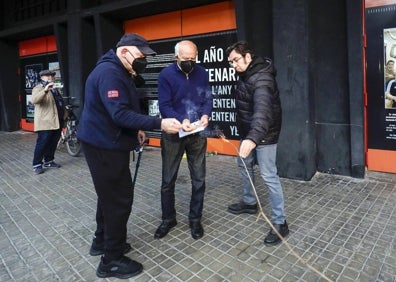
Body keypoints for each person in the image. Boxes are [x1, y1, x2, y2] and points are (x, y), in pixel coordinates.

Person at [77, 33, 181, 279]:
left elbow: (122, 110)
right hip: (104, 146)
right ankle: (110, 260)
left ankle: (101, 241)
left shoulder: (117, 70)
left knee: (107, 196)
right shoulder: (110, 74)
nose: (143, 60)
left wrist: (138, 128)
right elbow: (119, 114)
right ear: (125, 52)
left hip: (104, 142)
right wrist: (160, 123)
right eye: (141, 55)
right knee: (119, 201)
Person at [225, 41, 289, 246]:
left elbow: (263, 111)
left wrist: (253, 139)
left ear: (248, 57)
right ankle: (250, 202)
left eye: (236, 60)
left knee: (269, 175)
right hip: (249, 132)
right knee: (243, 164)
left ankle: (281, 223)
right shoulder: (246, 75)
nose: (233, 65)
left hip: (265, 134)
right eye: (230, 62)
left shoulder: (262, 78)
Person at [155, 40, 212, 240]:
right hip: (173, 133)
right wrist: (182, 120)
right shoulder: (166, 75)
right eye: (186, 58)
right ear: (176, 57)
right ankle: (168, 219)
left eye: (193, 58)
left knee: (199, 179)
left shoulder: (202, 73)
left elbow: (207, 97)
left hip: (197, 133)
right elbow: (164, 105)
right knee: (168, 180)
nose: (190, 62)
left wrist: (206, 115)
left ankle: (195, 220)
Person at [31, 69, 64, 174]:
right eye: (47, 76)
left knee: (53, 142)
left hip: (57, 120)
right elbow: (35, 100)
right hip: (45, 121)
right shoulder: (38, 88)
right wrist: (45, 90)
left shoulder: (54, 89)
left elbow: (59, 102)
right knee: (42, 143)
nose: (50, 77)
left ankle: (49, 161)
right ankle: (37, 164)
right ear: (42, 77)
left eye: (52, 76)